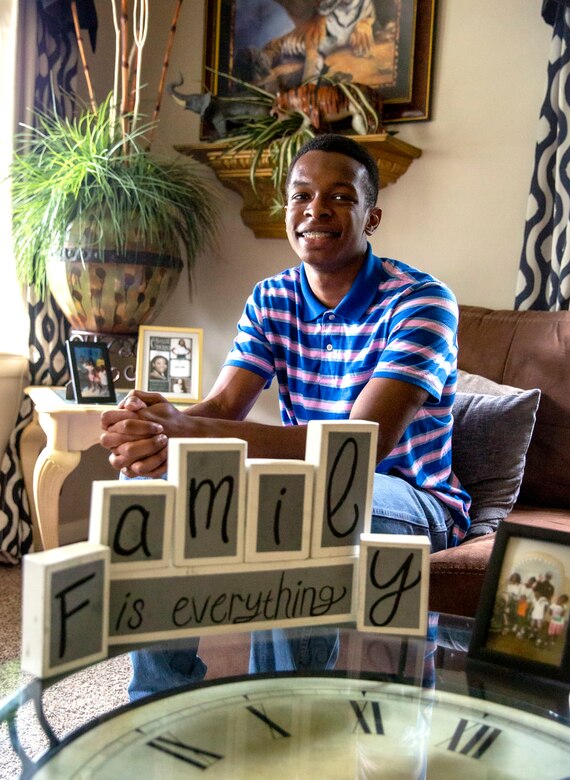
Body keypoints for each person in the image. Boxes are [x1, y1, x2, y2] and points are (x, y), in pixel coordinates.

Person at [100, 133, 471, 699]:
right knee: (158, 482)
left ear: (371, 217)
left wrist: (185, 429)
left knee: (294, 501)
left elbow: (358, 446)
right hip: (307, 483)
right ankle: (158, 700)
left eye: (340, 197)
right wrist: (156, 430)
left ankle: (286, 708)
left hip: (412, 500)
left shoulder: (422, 300)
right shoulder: (273, 297)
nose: (316, 210)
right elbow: (223, 408)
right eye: (301, 196)